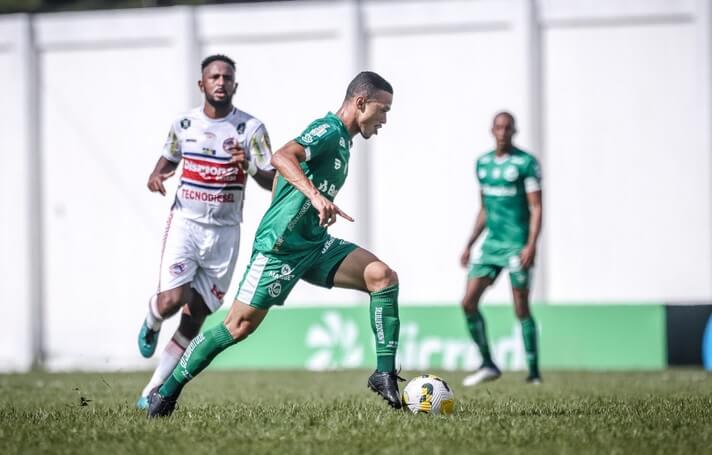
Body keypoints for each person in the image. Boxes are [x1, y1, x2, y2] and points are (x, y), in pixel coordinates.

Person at [147, 71, 401, 417]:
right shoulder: (328, 130)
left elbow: (286, 175)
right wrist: (313, 195)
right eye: (382, 109)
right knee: (237, 327)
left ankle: (383, 373)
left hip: (313, 244)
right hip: (279, 247)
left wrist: (313, 201)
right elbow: (282, 156)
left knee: (382, 276)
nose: (385, 119)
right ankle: (165, 393)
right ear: (360, 103)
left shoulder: (345, 140)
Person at [136, 54, 276, 408]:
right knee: (172, 300)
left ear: (235, 86)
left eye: (227, 77)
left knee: (196, 315)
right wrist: (156, 175)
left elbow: (271, 179)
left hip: (226, 231)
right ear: (202, 84)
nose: (220, 82)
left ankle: (151, 389)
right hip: (187, 223)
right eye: (214, 77)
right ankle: (152, 320)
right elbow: (168, 158)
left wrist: (250, 168)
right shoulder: (184, 125)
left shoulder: (251, 130)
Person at [459, 111, 543, 386]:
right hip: (491, 245)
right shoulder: (482, 164)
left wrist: (531, 245)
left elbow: (536, 207)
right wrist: (469, 244)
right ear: (492, 130)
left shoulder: (526, 163)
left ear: (514, 131)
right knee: (468, 302)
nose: (503, 132)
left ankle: (533, 373)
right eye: (499, 127)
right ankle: (488, 363)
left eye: (508, 128)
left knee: (521, 307)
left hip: (517, 246)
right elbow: (484, 209)